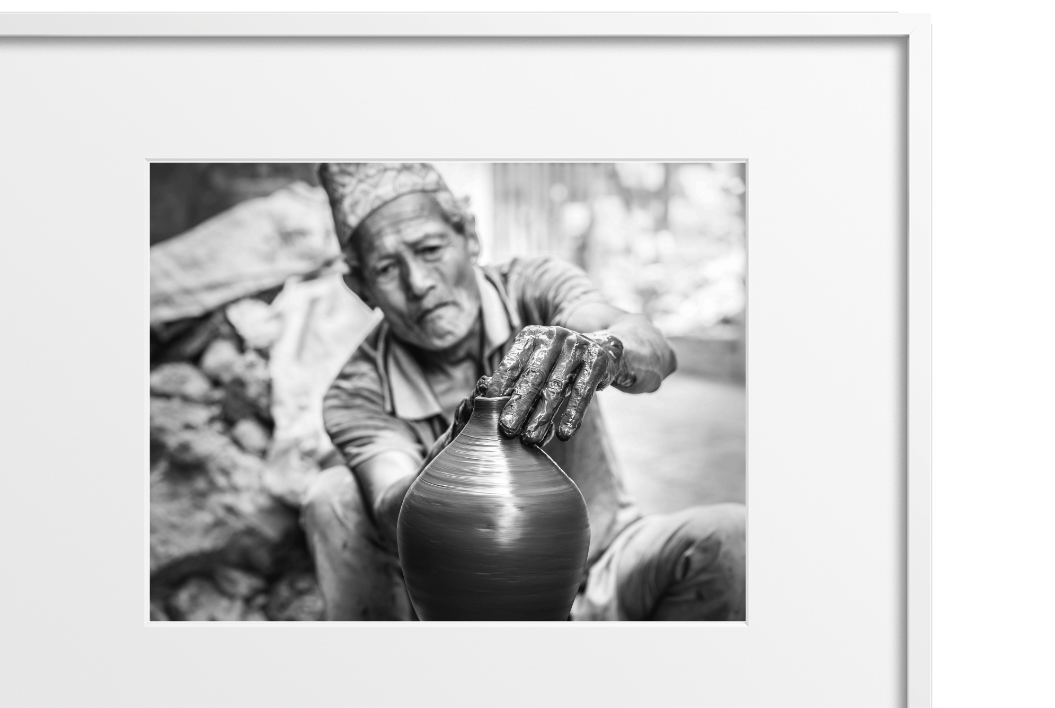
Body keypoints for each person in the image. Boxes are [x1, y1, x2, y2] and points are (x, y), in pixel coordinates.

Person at [301, 162, 746, 621]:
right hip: (459, 595)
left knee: (733, 536)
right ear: (361, 288)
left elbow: (652, 347)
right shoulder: (356, 389)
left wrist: (605, 352)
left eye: (430, 249)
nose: (419, 284)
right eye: (388, 268)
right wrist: (456, 454)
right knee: (331, 494)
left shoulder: (532, 287)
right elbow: (386, 502)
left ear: (470, 235)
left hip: (601, 564)